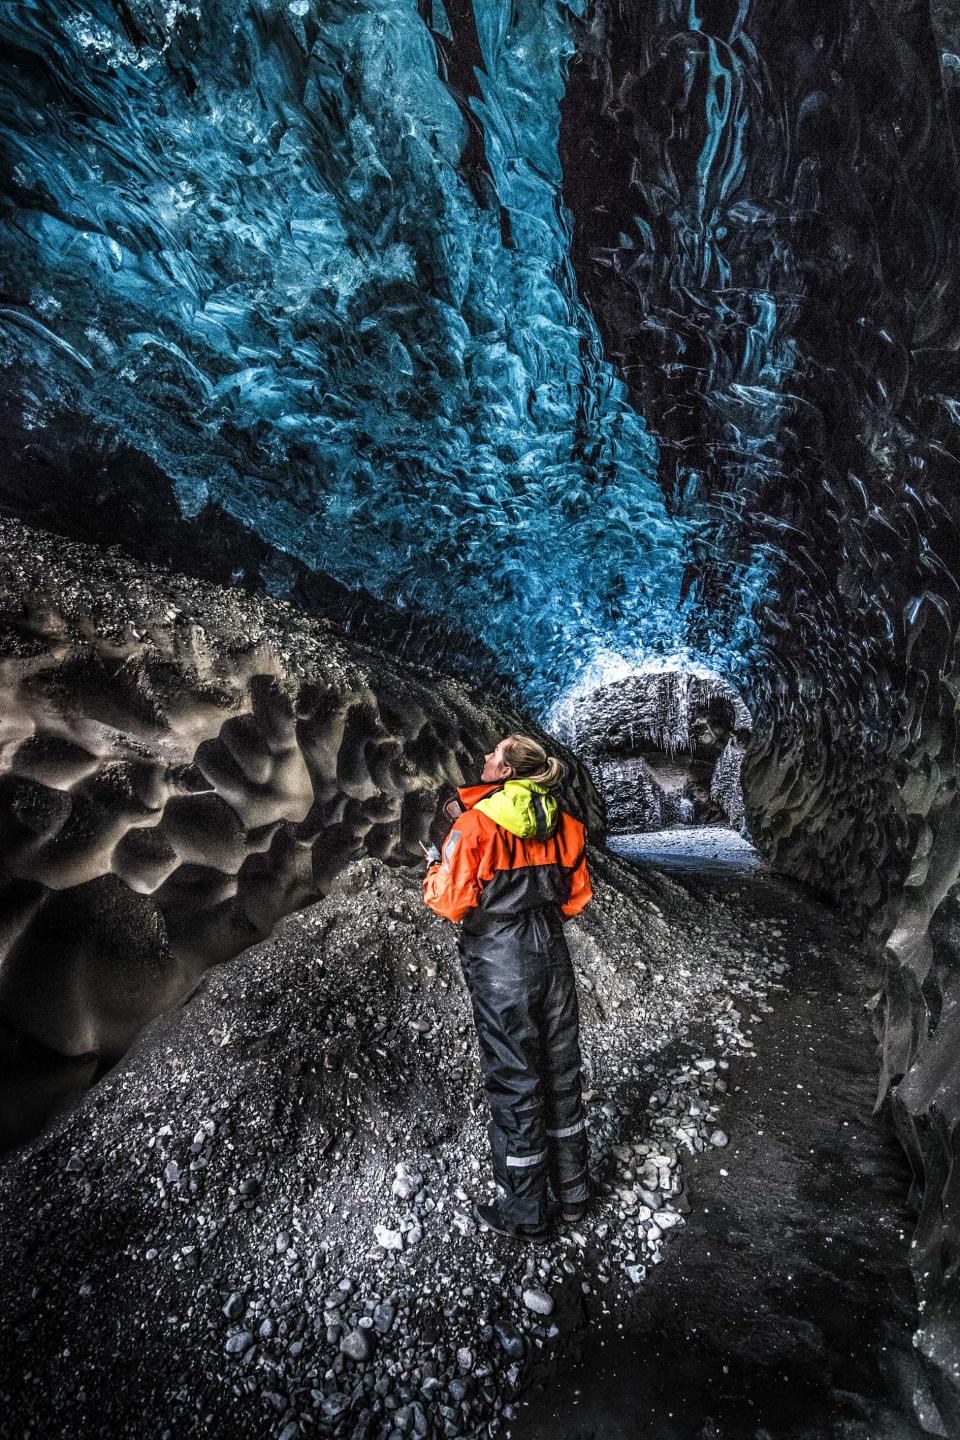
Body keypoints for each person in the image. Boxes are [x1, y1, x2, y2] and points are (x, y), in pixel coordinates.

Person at [423, 733, 593, 1241]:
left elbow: (448, 902)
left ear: (504, 772)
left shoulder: (475, 826)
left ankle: (525, 1215)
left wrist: (434, 864)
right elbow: (574, 899)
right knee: (561, 1073)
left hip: (501, 964)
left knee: (516, 1082)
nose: (483, 758)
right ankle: (574, 1196)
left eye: (493, 755)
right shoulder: (568, 826)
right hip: (553, 959)